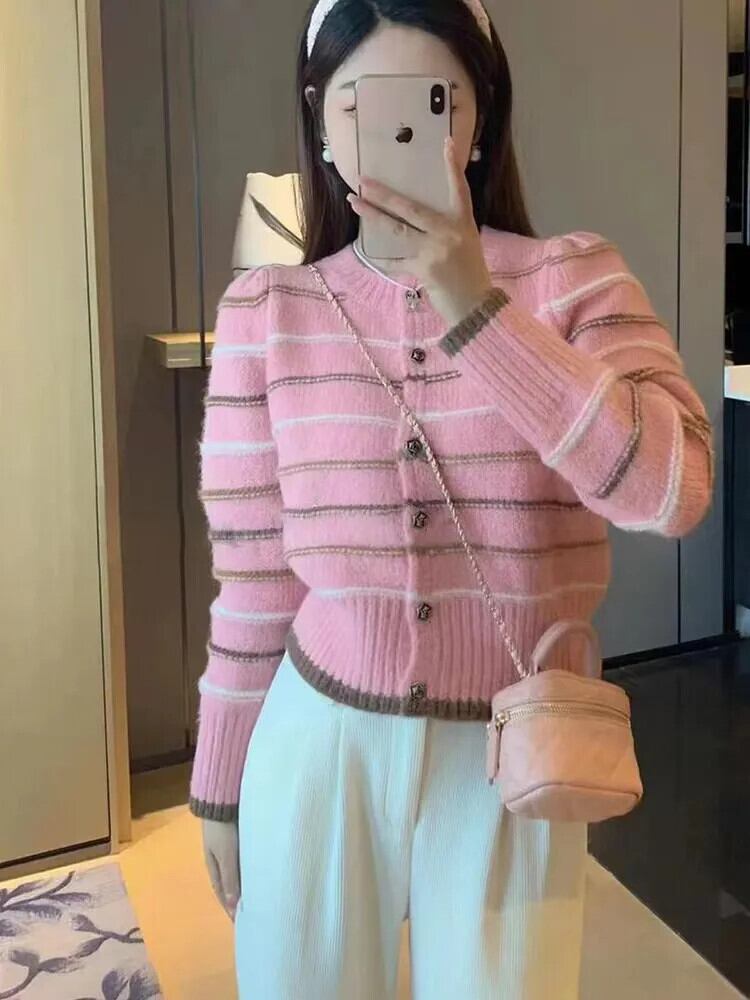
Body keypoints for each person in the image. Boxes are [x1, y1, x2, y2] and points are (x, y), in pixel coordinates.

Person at [189, 1, 714, 997]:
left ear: (478, 119)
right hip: (316, 746)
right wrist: (219, 782)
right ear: (319, 118)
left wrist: (479, 307)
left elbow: (676, 490)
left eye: (432, 100)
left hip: (508, 760)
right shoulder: (269, 312)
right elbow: (253, 578)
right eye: (358, 104)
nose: (390, 131)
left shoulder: (575, 279)